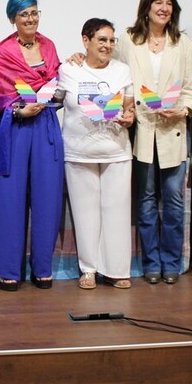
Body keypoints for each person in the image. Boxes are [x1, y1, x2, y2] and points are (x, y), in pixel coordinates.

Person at [117, 0, 192, 285]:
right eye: (158, 2)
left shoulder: (182, 43)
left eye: (169, 3)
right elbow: (106, 63)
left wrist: (184, 110)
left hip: (173, 128)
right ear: (147, 7)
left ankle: (172, 263)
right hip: (142, 129)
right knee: (147, 199)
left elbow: (191, 88)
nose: (164, 8)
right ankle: (151, 262)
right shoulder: (128, 40)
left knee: (174, 201)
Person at [0, 0, 63, 291]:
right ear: (12, 19)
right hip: (16, 126)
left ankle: (42, 268)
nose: (31, 19)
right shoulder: (3, 51)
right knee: (10, 198)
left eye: (34, 12)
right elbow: (0, 93)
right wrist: (19, 109)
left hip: (45, 123)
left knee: (48, 195)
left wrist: (55, 95)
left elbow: (59, 80)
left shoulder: (48, 45)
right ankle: (8, 269)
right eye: (24, 14)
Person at [60, 19, 136, 289]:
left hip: (116, 151)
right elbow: (56, 99)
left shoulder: (122, 70)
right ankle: (88, 269)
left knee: (116, 211)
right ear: (86, 40)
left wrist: (128, 116)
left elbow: (129, 108)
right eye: (102, 39)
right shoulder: (69, 69)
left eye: (111, 40)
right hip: (79, 153)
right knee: (85, 213)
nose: (108, 45)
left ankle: (116, 270)